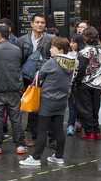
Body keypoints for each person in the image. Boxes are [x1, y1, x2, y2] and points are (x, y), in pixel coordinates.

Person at [20, 37, 75, 167]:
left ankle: (36, 158)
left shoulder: (52, 62)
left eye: (53, 47)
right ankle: (59, 156)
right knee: (58, 129)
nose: (50, 49)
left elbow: (39, 76)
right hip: (62, 100)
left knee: (42, 130)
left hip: (48, 100)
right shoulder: (72, 62)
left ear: (60, 49)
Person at [0, 26, 27, 154]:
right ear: (9, 36)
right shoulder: (17, 50)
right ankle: (20, 145)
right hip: (14, 89)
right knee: (15, 119)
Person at [18, 13, 54, 146]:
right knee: (33, 108)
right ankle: (35, 137)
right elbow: (19, 61)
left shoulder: (51, 39)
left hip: (46, 77)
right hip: (29, 78)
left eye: (42, 23)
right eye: (37, 22)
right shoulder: (23, 40)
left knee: (48, 108)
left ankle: (52, 138)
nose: (40, 25)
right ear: (32, 24)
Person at [73, 27, 101, 140]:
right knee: (95, 107)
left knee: (85, 108)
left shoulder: (84, 52)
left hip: (85, 83)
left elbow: (81, 68)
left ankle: (89, 132)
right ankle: (96, 130)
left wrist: (76, 80)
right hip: (98, 82)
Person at [66, 33, 84, 136]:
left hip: (79, 83)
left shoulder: (82, 54)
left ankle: (78, 123)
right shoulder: (69, 54)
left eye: (74, 42)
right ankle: (71, 125)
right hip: (71, 83)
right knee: (72, 105)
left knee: (79, 105)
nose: (71, 44)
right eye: (71, 42)